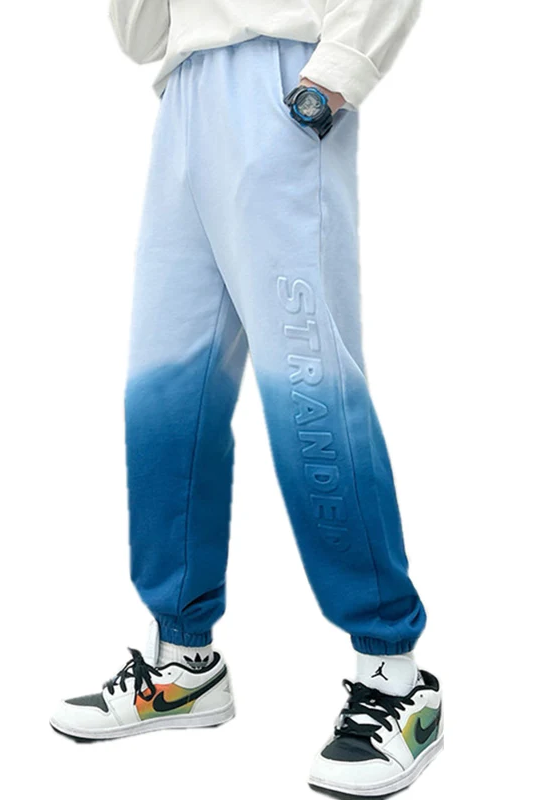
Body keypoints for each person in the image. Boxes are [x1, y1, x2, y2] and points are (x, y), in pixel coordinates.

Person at [51, 2, 443, 795]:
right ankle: (183, 662)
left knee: (311, 393)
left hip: (285, 81)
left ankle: (397, 678)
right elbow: (142, 38)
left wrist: (333, 77)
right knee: (166, 395)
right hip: (185, 99)